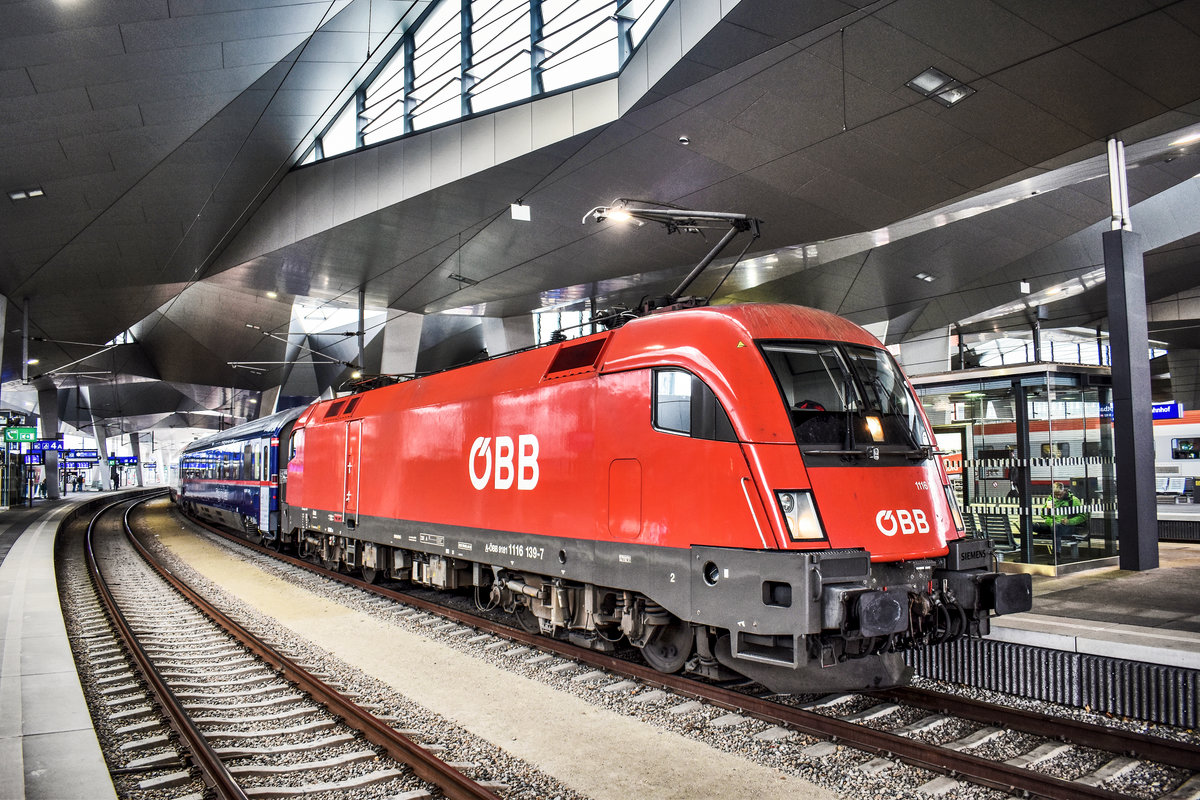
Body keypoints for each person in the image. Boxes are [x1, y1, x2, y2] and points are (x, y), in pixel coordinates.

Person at [1032, 481, 1088, 549]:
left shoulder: (1073, 500)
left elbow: (1083, 516)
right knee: (1031, 525)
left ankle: (1056, 552)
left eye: (1060, 494)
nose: (1058, 496)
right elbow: (1043, 515)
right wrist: (1046, 510)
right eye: (1056, 495)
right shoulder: (1050, 499)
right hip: (1051, 525)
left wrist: (1069, 521)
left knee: (1056, 527)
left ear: (1064, 491)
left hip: (1066, 527)